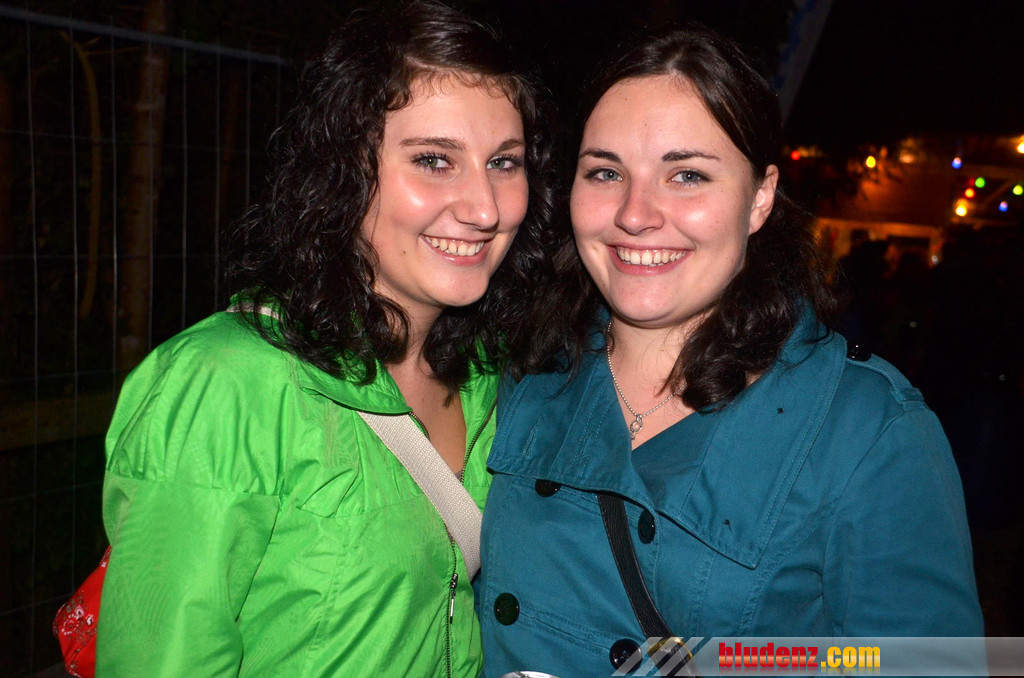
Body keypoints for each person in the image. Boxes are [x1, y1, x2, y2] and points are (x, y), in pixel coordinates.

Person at [478, 27, 983, 677]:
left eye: (687, 175)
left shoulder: (867, 430)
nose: (635, 213)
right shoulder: (520, 372)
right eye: (606, 172)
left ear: (760, 197)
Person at [94, 2, 556, 676]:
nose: (485, 208)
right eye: (434, 160)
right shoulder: (227, 385)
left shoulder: (495, 374)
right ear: (345, 168)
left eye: (504, 163)